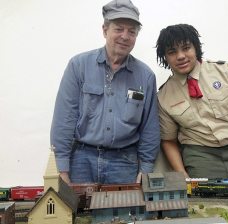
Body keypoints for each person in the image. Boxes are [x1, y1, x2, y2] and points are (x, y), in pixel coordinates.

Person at [50, 0, 160, 185]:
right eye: (119, 29)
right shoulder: (78, 66)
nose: (125, 36)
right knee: (75, 212)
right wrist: (61, 168)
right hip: (80, 162)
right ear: (105, 30)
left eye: (131, 31)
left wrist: (146, 168)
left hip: (124, 163)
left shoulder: (146, 76)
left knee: (125, 212)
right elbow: (65, 118)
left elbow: (150, 127)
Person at [155, 24, 228, 182]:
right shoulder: (163, 96)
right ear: (165, 57)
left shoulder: (226, 72)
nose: (180, 56)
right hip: (199, 157)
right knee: (208, 203)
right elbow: (168, 141)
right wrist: (183, 177)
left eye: (186, 48)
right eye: (172, 52)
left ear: (196, 48)